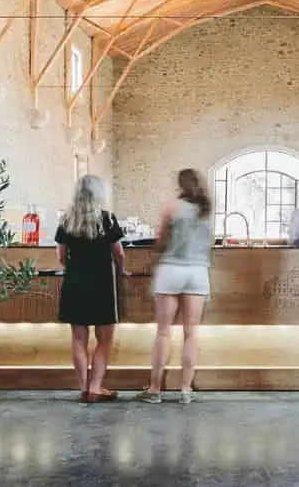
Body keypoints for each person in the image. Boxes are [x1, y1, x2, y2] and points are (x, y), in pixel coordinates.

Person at [138, 168, 213, 405]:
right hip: (197, 272)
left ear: (180, 185)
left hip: (171, 269)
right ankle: (185, 390)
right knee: (191, 333)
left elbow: (161, 242)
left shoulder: (171, 207)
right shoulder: (206, 210)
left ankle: (155, 389)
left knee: (163, 332)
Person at [55, 174, 128, 403]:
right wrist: (122, 270)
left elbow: (61, 256)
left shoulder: (67, 220)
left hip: (75, 283)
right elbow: (119, 253)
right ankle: (96, 388)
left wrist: (72, 268)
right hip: (102, 284)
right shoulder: (107, 219)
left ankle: (83, 388)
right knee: (104, 339)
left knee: (78, 338)